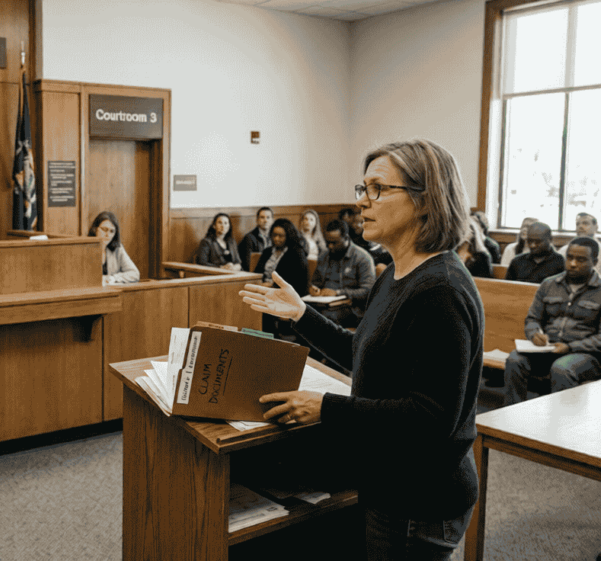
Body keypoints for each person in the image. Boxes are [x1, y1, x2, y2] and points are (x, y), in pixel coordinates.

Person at [241, 139, 483, 560]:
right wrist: (302, 315)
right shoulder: (394, 274)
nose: (361, 204)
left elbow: (432, 416)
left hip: (421, 496)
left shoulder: (441, 288)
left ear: (425, 201)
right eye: (362, 188)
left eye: (377, 189)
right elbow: (365, 352)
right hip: (389, 477)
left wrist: (325, 408)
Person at [503, 237, 601, 405]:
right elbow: (533, 318)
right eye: (569, 257)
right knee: (515, 359)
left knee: (562, 368)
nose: (573, 264)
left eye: (581, 259)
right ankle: (510, 415)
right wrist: (534, 334)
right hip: (548, 349)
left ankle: (560, 424)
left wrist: (570, 347)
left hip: (584, 355)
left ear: (595, 261)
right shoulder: (549, 285)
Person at [309, 219, 375, 328]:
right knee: (302, 313)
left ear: (346, 238)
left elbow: (368, 291)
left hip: (351, 308)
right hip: (323, 304)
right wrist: (314, 289)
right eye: (328, 242)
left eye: (334, 242)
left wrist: (338, 293)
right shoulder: (324, 256)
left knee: (324, 318)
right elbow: (315, 283)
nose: (330, 246)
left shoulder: (362, 258)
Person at [254, 218, 309, 341]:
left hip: (286, 295)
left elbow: (297, 282)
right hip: (264, 290)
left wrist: (271, 287)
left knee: (262, 306)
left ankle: (270, 341)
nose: (277, 239)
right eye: (274, 235)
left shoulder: (296, 253)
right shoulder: (268, 251)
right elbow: (256, 273)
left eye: (281, 236)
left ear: (289, 236)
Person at [88, 211, 139, 284]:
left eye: (112, 231)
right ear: (95, 229)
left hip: (111, 292)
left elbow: (135, 274)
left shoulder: (117, 249)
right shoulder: (85, 248)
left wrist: (113, 278)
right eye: (104, 229)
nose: (107, 234)